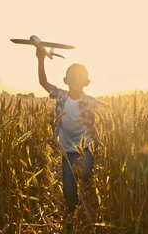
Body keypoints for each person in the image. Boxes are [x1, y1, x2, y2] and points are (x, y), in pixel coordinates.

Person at [35, 45, 104, 232]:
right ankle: (72, 220)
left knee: (86, 179)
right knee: (69, 191)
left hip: (86, 149)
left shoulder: (90, 101)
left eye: (79, 79)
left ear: (86, 82)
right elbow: (43, 82)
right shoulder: (61, 96)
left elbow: (108, 113)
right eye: (72, 78)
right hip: (67, 152)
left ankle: (89, 213)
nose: (75, 81)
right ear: (66, 81)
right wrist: (41, 59)